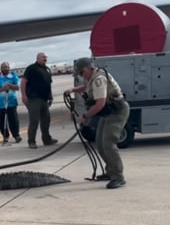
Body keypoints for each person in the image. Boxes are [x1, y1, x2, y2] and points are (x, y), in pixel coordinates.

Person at [65, 57, 130, 189]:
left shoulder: (99, 79)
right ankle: (110, 172)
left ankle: (118, 177)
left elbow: (100, 103)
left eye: (81, 73)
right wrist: (73, 89)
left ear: (88, 68)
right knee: (100, 143)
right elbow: (86, 87)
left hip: (116, 112)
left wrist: (85, 116)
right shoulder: (92, 77)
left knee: (108, 144)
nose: (81, 76)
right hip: (107, 112)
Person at [20, 52, 58, 149]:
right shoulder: (31, 68)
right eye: (43, 57)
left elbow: (48, 84)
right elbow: (24, 81)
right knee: (34, 121)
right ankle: (31, 141)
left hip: (44, 99)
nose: (45, 59)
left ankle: (47, 139)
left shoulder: (47, 69)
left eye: (46, 57)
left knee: (46, 120)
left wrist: (50, 96)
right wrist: (24, 95)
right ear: (37, 58)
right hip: (34, 99)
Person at [0, 62, 22, 143]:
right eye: (3, 67)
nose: (5, 69)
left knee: (13, 120)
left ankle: (16, 135)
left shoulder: (13, 76)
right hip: (0, 103)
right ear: (1, 69)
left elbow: (17, 87)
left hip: (11, 102)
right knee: (1, 120)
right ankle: (5, 136)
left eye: (6, 67)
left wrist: (9, 85)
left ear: (9, 68)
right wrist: (3, 89)